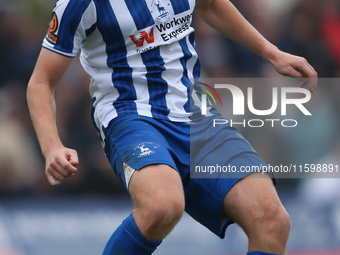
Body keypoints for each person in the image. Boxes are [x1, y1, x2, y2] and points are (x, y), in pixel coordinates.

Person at [26, 0, 317, 254]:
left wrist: (271, 52)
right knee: (162, 206)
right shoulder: (79, 3)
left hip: (195, 113)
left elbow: (211, 4)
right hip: (130, 115)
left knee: (272, 220)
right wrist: (52, 147)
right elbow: (40, 82)